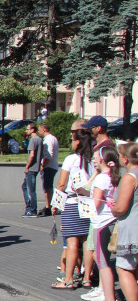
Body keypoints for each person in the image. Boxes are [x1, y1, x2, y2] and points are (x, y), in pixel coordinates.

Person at [52, 124, 93, 290]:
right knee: (86, 241)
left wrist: (56, 204)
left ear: (77, 142)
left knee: (72, 243)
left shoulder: (71, 159)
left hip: (72, 202)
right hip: (88, 202)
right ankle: (87, 277)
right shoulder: (92, 159)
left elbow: (62, 184)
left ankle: (68, 278)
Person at [86, 146, 120, 301]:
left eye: (96, 157)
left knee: (104, 264)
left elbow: (95, 204)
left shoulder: (101, 179)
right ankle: (111, 298)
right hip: (113, 221)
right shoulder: (115, 177)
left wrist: (82, 203)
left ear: (102, 160)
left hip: (101, 223)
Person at [111, 143, 138, 301]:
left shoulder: (130, 177)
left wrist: (114, 209)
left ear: (125, 158)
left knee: (124, 268)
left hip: (132, 229)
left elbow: (121, 208)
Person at [39, 122, 59, 216]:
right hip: (52, 165)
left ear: (44, 129)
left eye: (40, 129)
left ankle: (49, 206)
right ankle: (49, 205)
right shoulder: (52, 138)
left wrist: (43, 165)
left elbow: (48, 154)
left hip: (49, 166)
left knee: (47, 187)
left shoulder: (48, 139)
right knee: (48, 186)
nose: (39, 131)